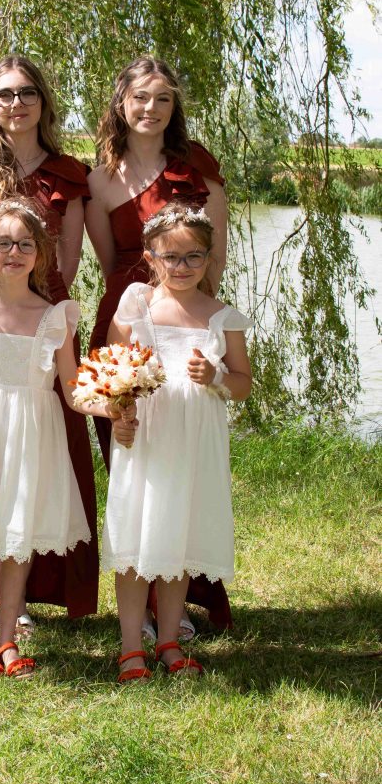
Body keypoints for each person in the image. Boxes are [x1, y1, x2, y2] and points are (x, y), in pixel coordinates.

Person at [0, 201, 133, 680]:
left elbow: (73, 389)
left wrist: (110, 405)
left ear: (40, 253)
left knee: (16, 538)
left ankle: (10, 638)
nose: (13, 252)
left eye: (24, 243)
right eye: (3, 243)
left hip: (32, 437)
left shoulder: (56, 318)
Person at [0, 54, 99, 634]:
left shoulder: (68, 172)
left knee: (42, 454)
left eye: (27, 91)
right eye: (4, 93)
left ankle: (32, 593)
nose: (16, 102)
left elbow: (73, 252)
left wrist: (44, 299)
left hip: (43, 312)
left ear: (44, 100)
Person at [85, 55, 232, 634]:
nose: (151, 109)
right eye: (140, 97)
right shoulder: (97, 180)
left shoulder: (199, 169)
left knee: (179, 466)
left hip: (185, 323)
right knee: (131, 463)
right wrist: (135, 323)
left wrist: (195, 327)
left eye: (163, 99)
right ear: (121, 103)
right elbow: (108, 261)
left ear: (175, 108)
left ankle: (173, 601)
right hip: (125, 325)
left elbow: (212, 257)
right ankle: (138, 605)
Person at [102, 203, 252, 682]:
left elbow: (245, 383)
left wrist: (217, 374)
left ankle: (168, 638)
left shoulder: (222, 318)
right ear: (152, 257)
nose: (182, 267)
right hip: (147, 439)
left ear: (210, 259)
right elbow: (112, 370)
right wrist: (119, 415)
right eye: (172, 257)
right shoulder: (137, 305)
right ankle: (131, 645)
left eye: (194, 257)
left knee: (176, 537)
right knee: (137, 538)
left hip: (193, 443)